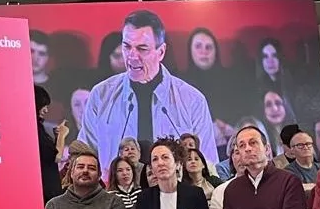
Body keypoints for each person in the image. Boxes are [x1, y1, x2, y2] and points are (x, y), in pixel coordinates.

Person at [79, 10, 219, 164]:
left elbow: (208, 165)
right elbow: (85, 157)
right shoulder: (101, 95)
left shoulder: (193, 100)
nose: (132, 56)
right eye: (126, 46)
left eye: (142, 49)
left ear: (161, 52)